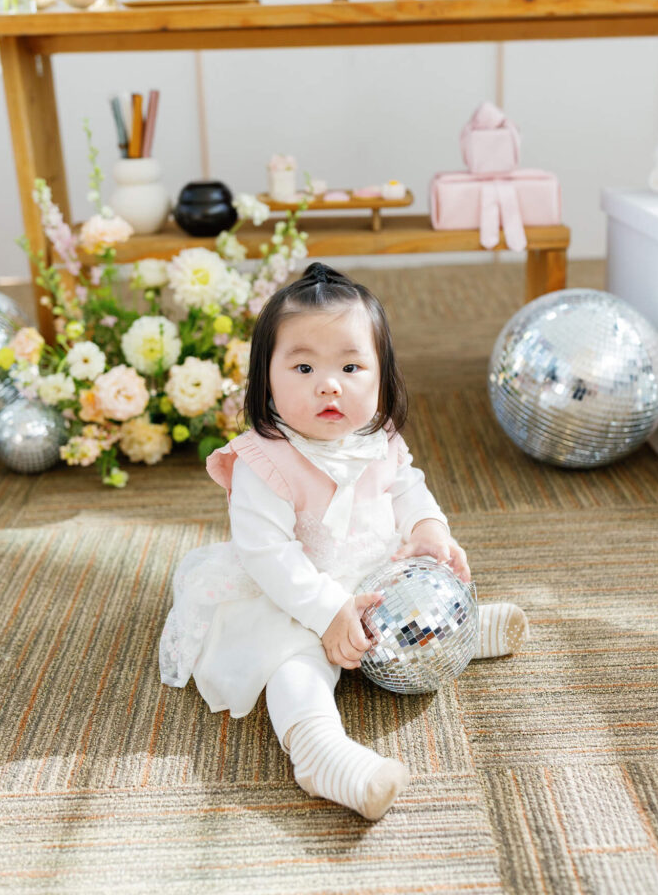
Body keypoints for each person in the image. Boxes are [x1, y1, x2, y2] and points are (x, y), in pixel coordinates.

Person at [160, 262, 528, 821]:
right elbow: (267, 555)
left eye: (351, 365)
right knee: (294, 663)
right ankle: (318, 751)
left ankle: (458, 631)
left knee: (412, 600)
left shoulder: (375, 438)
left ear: (382, 376)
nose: (329, 384)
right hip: (293, 595)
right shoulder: (265, 460)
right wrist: (328, 611)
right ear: (266, 381)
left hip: (372, 580)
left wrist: (429, 529)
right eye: (303, 366)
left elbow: (408, 488)